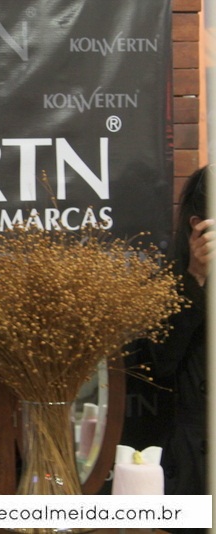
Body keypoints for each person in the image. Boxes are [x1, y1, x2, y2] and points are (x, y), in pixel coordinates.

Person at [150, 164, 212, 499]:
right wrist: (195, 277)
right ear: (198, 226)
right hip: (196, 455)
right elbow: (160, 363)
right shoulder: (174, 283)